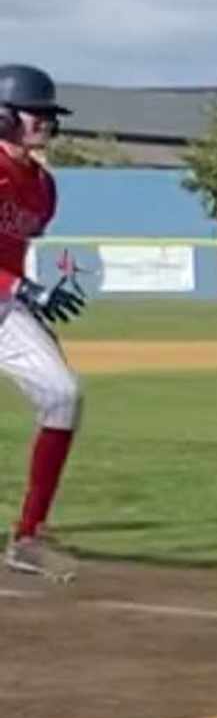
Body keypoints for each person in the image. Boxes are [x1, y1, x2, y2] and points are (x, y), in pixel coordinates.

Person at [0, 64, 86, 581]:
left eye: (50, 115)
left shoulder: (43, 187)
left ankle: (28, 535)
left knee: (63, 394)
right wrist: (21, 289)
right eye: (38, 114)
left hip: (4, 305)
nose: (47, 123)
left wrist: (26, 298)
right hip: (8, 295)